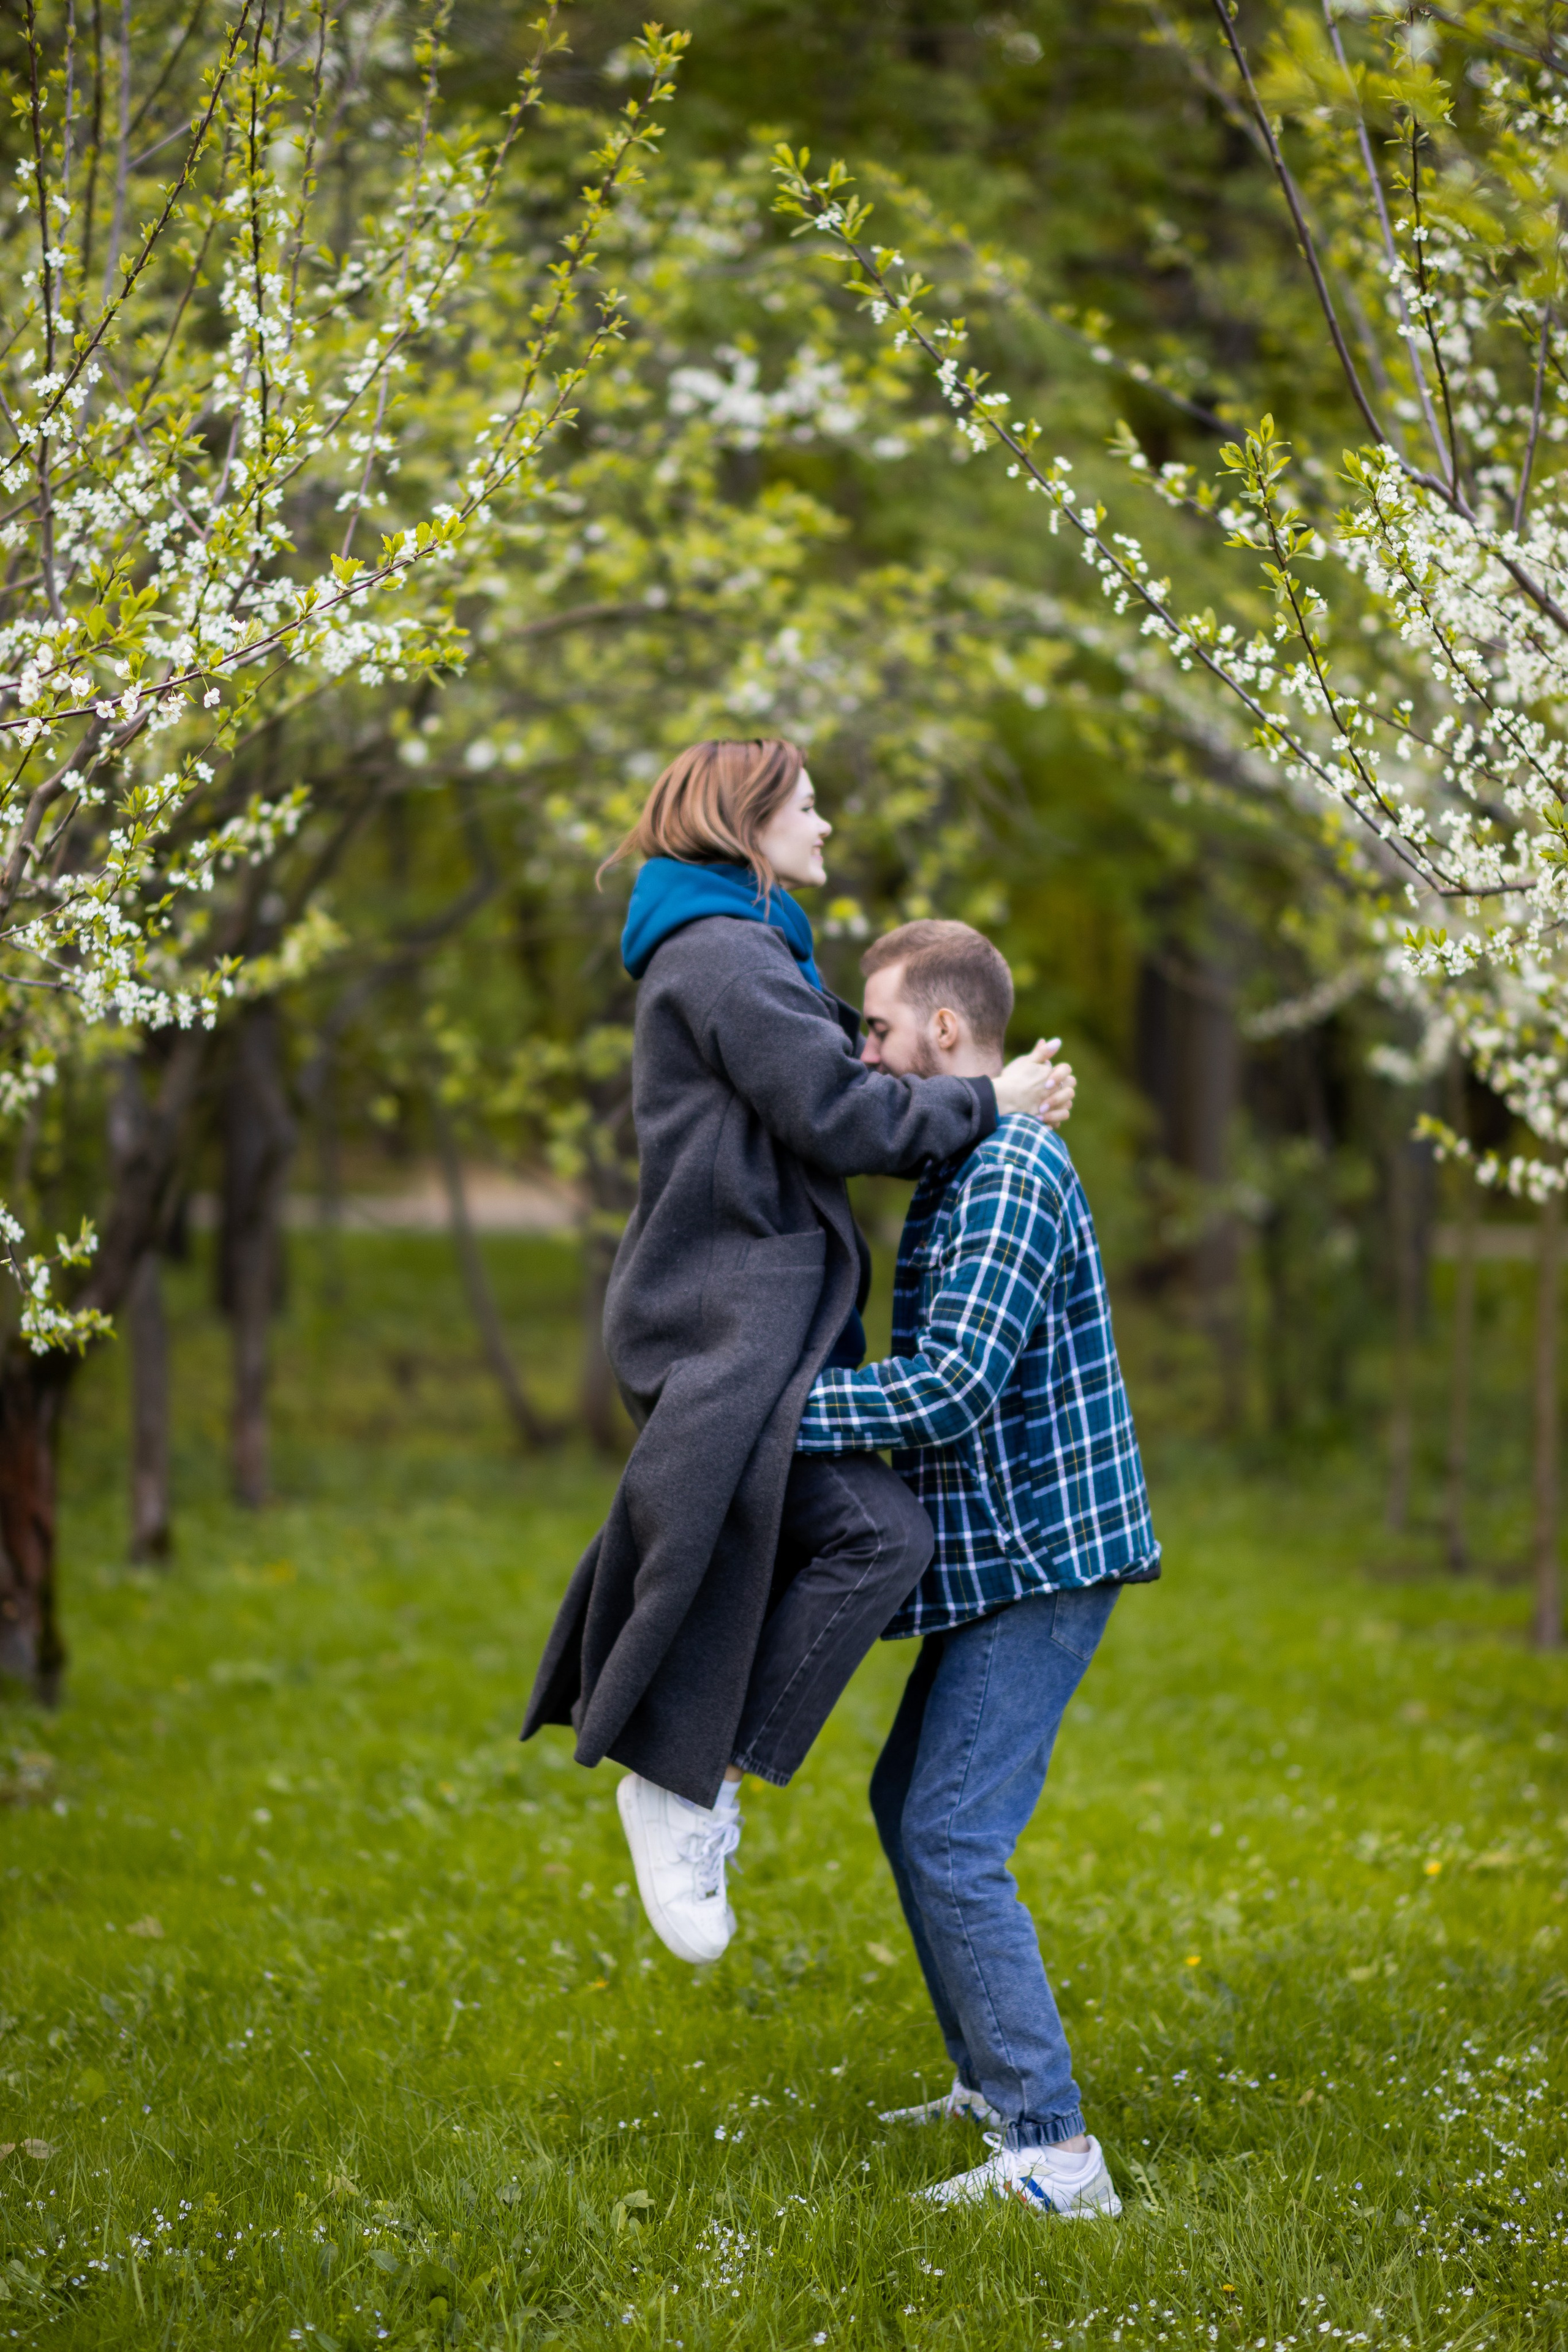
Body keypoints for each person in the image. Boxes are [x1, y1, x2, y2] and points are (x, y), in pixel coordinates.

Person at [521, 742, 1074, 1966]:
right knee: (875, 1534)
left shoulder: (751, 954)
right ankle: (681, 1782)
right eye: (806, 805)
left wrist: (994, 1088)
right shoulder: (721, 958)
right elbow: (845, 1114)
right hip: (724, 1324)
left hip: (758, 1322)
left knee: (836, 1536)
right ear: (745, 820)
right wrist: (994, 1106)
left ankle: (690, 1774)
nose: (825, 825)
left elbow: (854, 1072)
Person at [794, 918, 1159, 2220]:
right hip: (996, 1561)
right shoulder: (973, 1147)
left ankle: (1055, 2154)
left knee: (950, 1834)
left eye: (878, 1032)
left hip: (1043, 1560)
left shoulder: (1005, 1172)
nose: (864, 1057)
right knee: (911, 1806)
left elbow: (949, 1389)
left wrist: (770, 1421)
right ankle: (994, 2094)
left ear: (944, 1034)